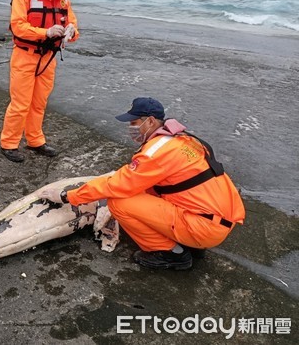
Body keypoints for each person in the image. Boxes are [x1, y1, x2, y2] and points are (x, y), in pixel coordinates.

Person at [39, 97, 245, 270]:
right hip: (218, 219)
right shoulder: (184, 141)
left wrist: (68, 196)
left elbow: (118, 185)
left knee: (119, 203)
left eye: (134, 122)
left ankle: (173, 254)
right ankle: (189, 241)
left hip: (203, 227)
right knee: (142, 191)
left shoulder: (157, 151)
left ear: (151, 121)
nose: (131, 128)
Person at [0, 0, 79, 163]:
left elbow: (72, 24)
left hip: (48, 58)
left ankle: (35, 140)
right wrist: (45, 33)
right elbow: (18, 26)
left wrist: (71, 31)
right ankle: (8, 143)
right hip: (25, 56)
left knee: (39, 102)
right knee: (20, 103)